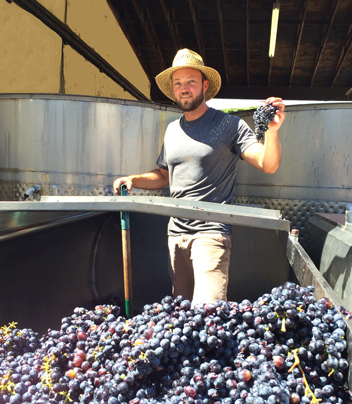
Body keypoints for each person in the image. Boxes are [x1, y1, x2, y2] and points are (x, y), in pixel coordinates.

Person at [113, 48, 285, 306]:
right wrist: (133, 180)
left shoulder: (229, 125)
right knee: (182, 314)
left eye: (191, 81)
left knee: (208, 313)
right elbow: (163, 175)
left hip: (210, 234)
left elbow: (267, 163)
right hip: (176, 235)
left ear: (204, 85)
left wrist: (271, 131)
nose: (184, 88)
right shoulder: (173, 130)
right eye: (178, 83)